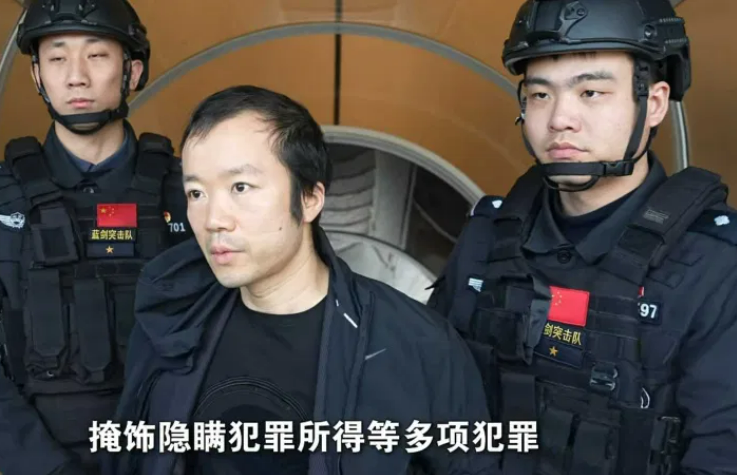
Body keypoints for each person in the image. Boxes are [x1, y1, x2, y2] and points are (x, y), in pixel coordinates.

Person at [103, 85, 499, 475]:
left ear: (309, 198)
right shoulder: (171, 322)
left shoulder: (417, 343)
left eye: (240, 187)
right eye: (195, 193)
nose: (213, 220)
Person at [428, 0, 737, 474]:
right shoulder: (488, 235)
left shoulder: (714, 266)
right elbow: (424, 393)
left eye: (590, 92)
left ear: (654, 104)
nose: (559, 119)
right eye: (540, 94)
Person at [0, 1, 192, 474]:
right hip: (43, 453)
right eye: (57, 58)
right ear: (37, 76)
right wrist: (43, 465)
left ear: (133, 71)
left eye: (97, 55)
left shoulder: (191, 191)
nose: (76, 77)